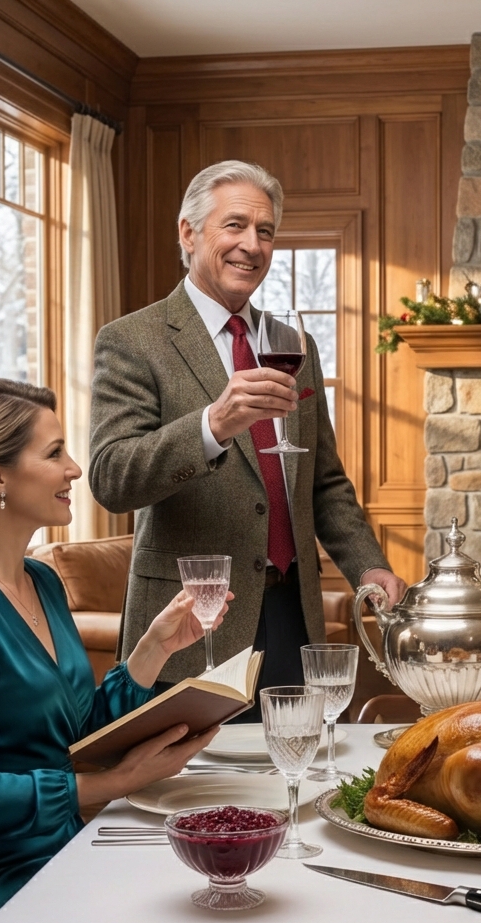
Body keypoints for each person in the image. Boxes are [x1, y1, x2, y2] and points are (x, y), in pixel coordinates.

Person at [0, 379, 226, 912]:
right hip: (2, 879)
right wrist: (120, 781)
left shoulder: (42, 581)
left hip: (76, 843)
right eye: (54, 453)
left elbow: (76, 737)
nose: (75, 468)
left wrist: (152, 649)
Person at [88, 160, 405, 718]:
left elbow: (323, 481)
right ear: (188, 233)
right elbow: (112, 477)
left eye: (265, 231)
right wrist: (212, 426)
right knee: (193, 796)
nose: (251, 245)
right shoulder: (133, 341)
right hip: (193, 621)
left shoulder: (291, 342)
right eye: (234, 226)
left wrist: (368, 567)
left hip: (292, 613)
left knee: (296, 779)